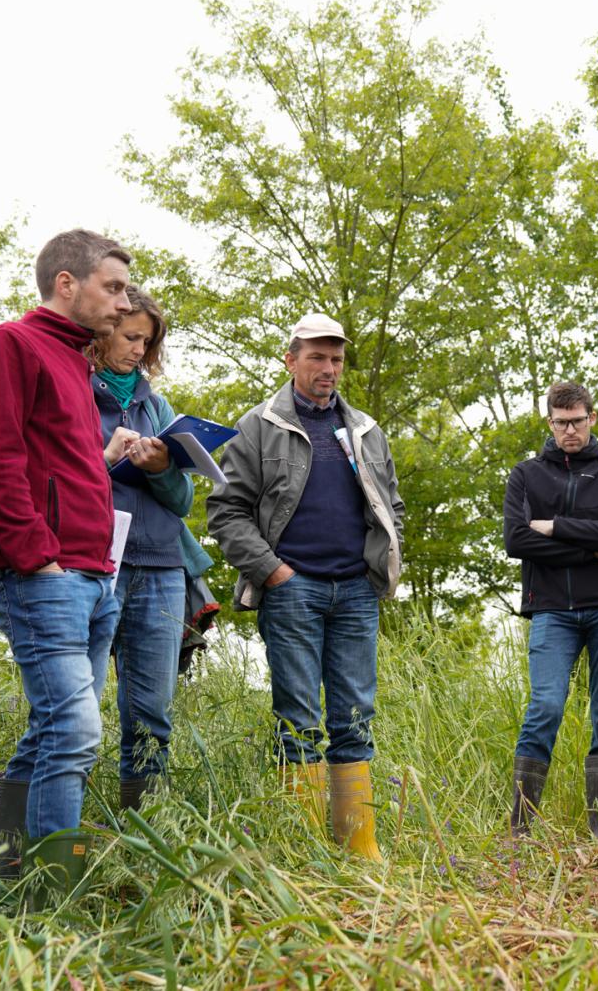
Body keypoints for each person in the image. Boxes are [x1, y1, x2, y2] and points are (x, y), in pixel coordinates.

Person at [0, 229, 132, 897]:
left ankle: (10, 879)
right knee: (73, 731)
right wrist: (39, 558)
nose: (124, 305)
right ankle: (55, 894)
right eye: (112, 287)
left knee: (50, 733)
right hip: (43, 574)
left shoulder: (77, 363)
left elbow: (65, 470)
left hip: (94, 576)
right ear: (68, 283)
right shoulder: (10, 343)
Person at [208, 313, 404, 860]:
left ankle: (359, 848)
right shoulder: (257, 426)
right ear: (290, 359)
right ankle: (303, 851)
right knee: (298, 716)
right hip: (293, 589)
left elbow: (392, 505)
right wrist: (274, 572)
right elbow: (226, 511)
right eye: (316, 357)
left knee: (355, 714)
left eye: (336, 359)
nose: (328, 368)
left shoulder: (365, 429)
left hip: (356, 592)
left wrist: (380, 562)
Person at [88, 284, 213, 811]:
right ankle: (52, 835)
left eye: (148, 341)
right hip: (93, 565)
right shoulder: (72, 391)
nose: (139, 350)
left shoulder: (156, 405)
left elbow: (183, 500)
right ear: (101, 331)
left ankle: (144, 835)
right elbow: (56, 477)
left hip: (161, 566)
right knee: (73, 711)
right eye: (131, 337)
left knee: (151, 714)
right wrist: (102, 454)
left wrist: (162, 468)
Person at [504, 381, 598, 839]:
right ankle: (520, 830)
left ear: (592, 418)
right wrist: (591, 542)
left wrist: (555, 528)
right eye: (561, 423)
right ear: (550, 423)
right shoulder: (525, 476)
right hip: (551, 612)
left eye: (577, 421)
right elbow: (516, 541)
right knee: (544, 705)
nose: (570, 431)